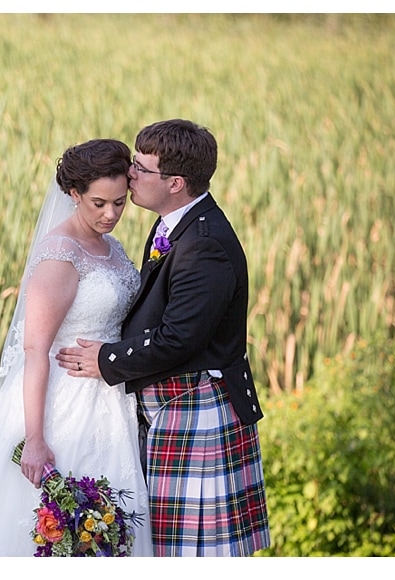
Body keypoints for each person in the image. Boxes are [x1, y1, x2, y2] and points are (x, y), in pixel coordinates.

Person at [0, 139, 152, 556]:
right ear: (74, 194)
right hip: (64, 406)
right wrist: (35, 438)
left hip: (109, 400)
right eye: (99, 203)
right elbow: (35, 350)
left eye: (119, 203)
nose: (111, 214)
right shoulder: (61, 254)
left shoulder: (111, 247)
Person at [57, 119, 270, 556]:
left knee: (194, 555)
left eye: (141, 167)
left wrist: (108, 361)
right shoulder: (177, 223)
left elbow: (178, 338)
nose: (130, 172)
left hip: (196, 408)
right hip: (174, 406)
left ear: (174, 183)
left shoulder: (204, 243)